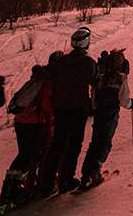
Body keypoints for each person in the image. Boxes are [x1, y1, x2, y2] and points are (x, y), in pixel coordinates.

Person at [41, 27, 98, 195]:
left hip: (60, 108)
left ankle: (47, 182)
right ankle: (66, 179)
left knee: (57, 144)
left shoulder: (62, 62)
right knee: (73, 145)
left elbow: (49, 74)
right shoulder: (88, 62)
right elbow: (96, 80)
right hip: (78, 108)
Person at [80, 49, 133, 189]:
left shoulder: (100, 78)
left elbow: (93, 95)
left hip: (99, 113)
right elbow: (123, 99)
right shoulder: (120, 78)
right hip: (110, 114)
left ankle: (86, 174)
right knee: (105, 142)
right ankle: (94, 172)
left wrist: (95, 107)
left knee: (95, 142)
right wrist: (131, 104)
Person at [2, 64, 54, 206]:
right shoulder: (46, 84)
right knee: (31, 155)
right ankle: (18, 189)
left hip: (20, 122)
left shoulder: (33, 81)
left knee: (23, 155)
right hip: (34, 123)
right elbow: (47, 107)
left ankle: (8, 189)